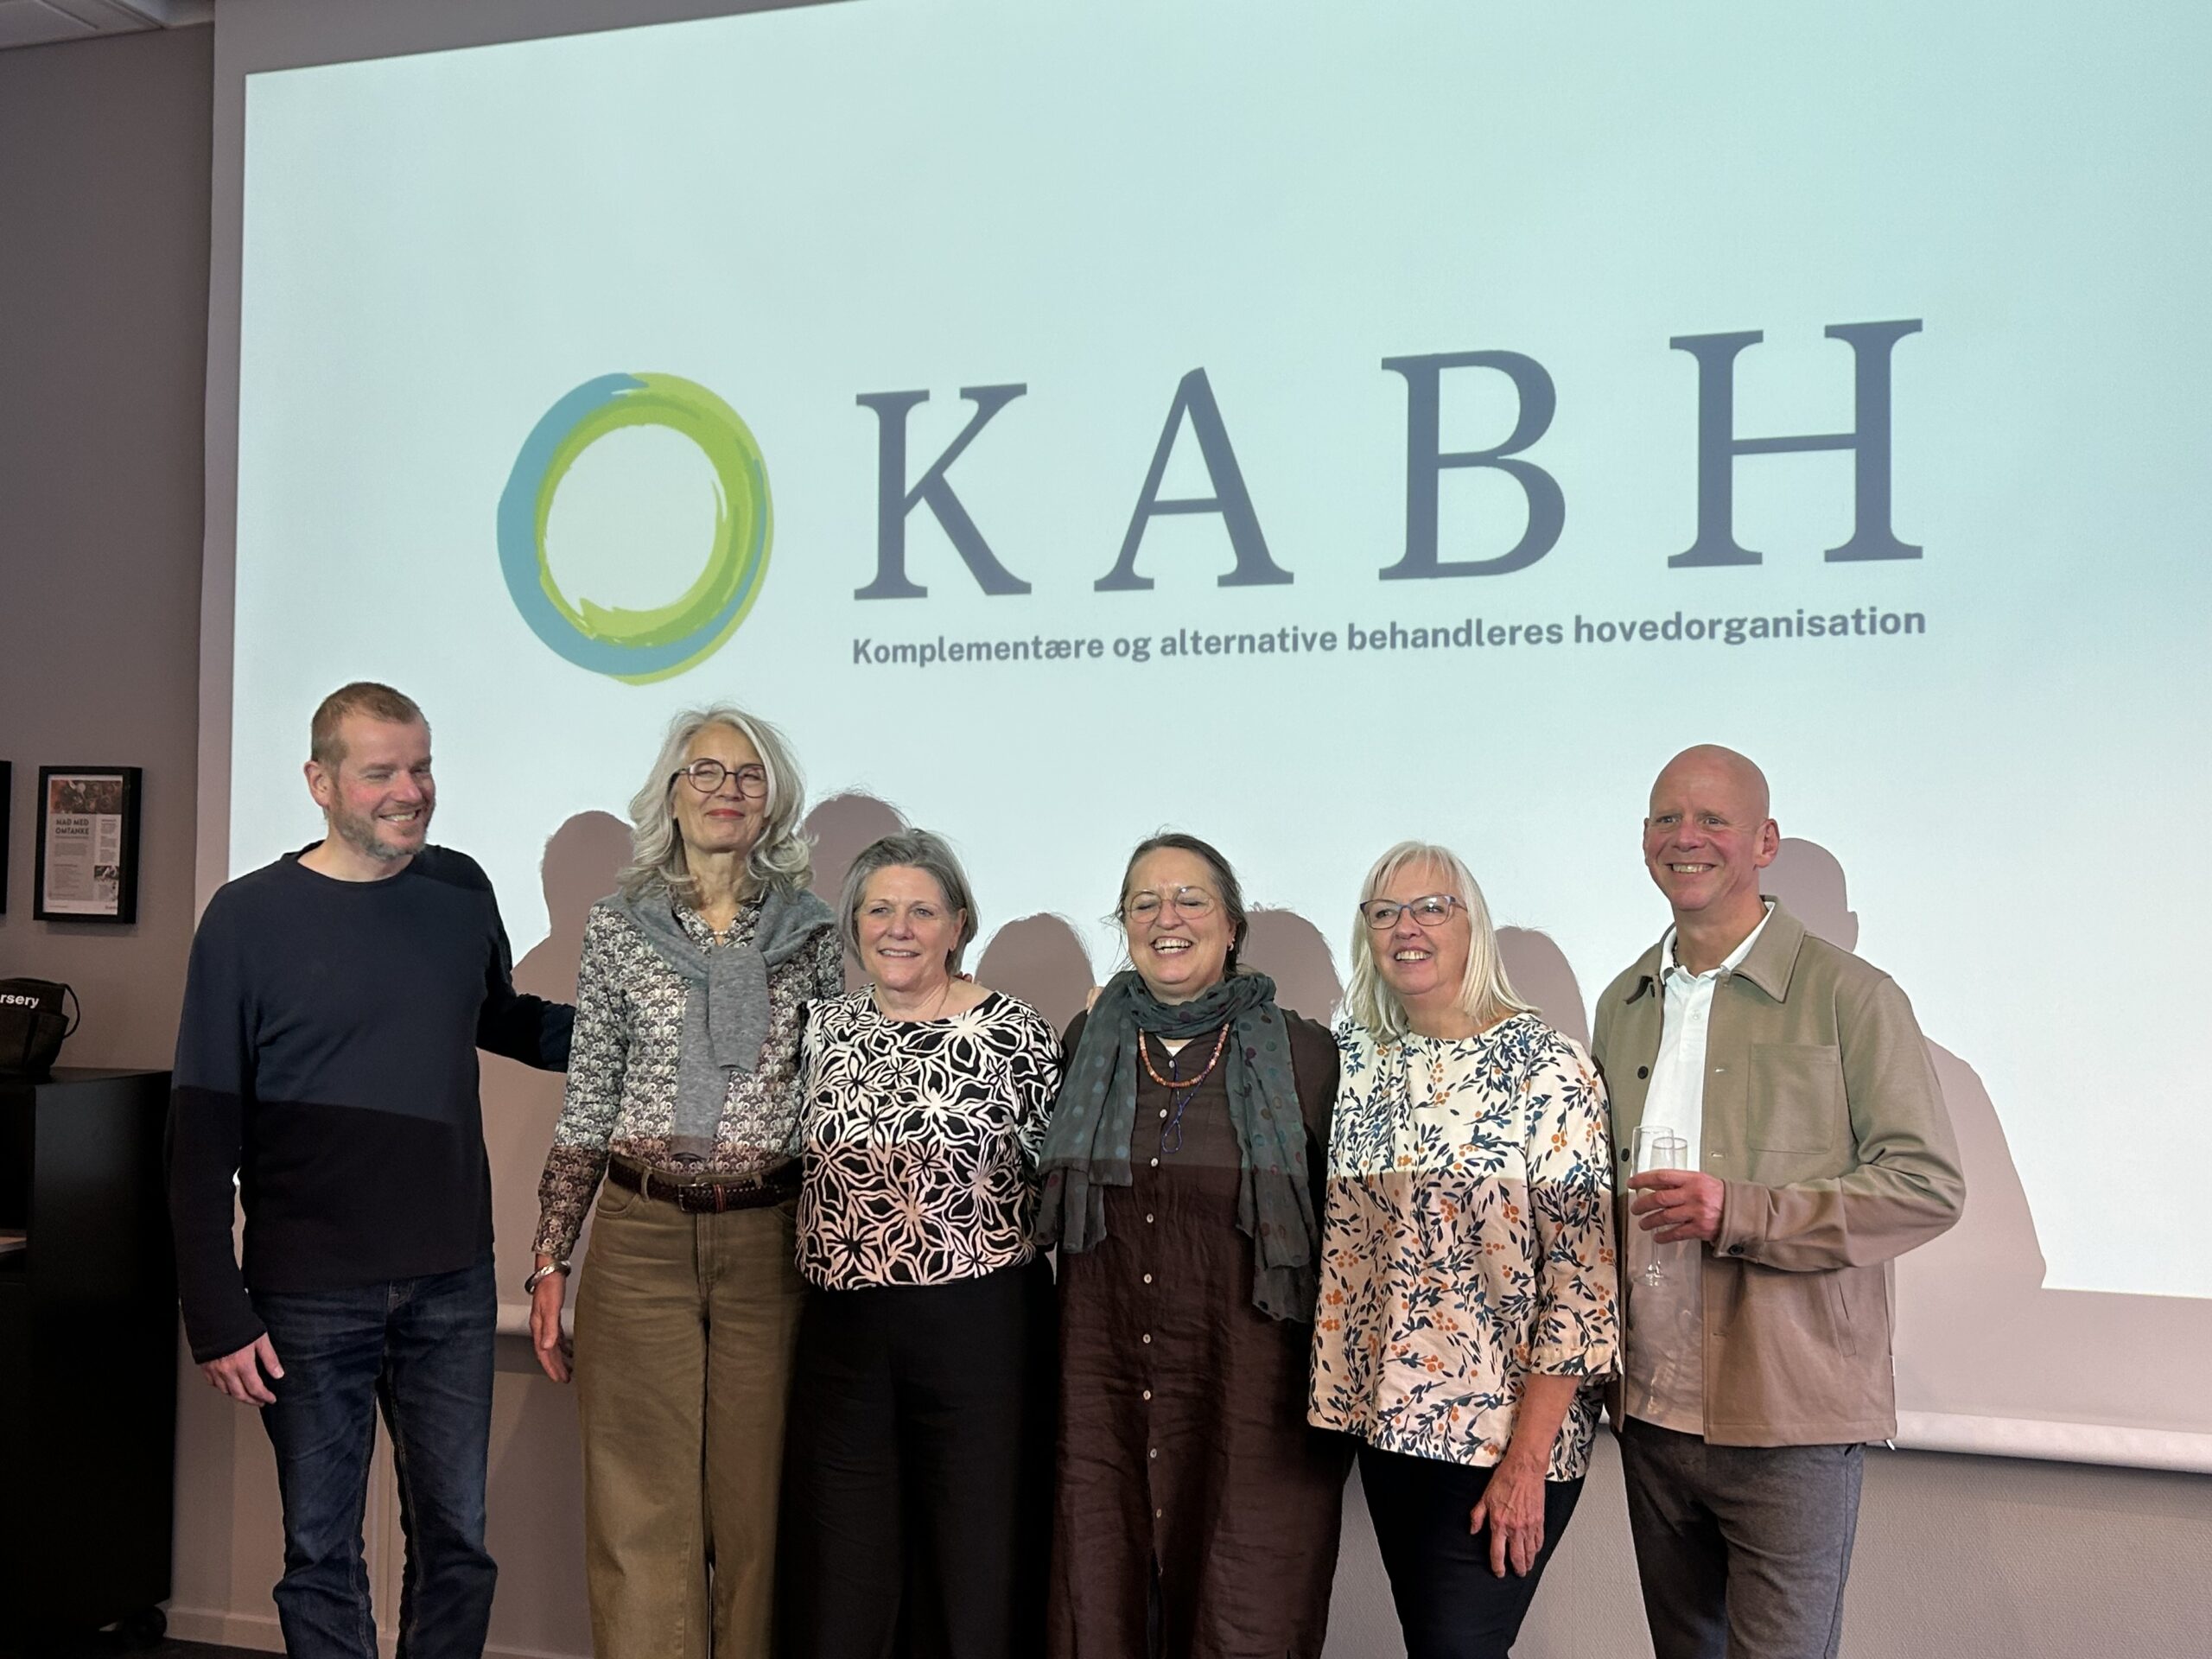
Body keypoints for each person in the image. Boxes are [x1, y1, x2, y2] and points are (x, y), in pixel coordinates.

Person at [167, 681, 573, 1659]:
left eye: (421, 767)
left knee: (457, 1547)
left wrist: (628, 1036)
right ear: (319, 782)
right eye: (381, 771)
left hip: (451, 1279)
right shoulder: (246, 918)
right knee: (320, 1555)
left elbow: (496, 1016)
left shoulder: (460, 889)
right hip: (308, 1290)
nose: (411, 790)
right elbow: (199, 1131)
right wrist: (216, 1310)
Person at [1592, 745, 1964, 1659]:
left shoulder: (1854, 997)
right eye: (1666, 818)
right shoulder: (1622, 1003)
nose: (1685, 837)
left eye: (1712, 819)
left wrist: (1742, 1212)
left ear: (1764, 843)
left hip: (1789, 1419)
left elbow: (1925, 1187)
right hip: (1649, 1413)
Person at [526, 704, 840, 1659]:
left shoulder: (816, 933)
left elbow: (830, 1097)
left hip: (768, 1240)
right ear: (671, 792)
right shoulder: (617, 929)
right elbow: (590, 1096)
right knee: (638, 1510)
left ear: (773, 799)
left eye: (748, 775)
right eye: (706, 771)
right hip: (642, 1238)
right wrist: (551, 1256)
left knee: (761, 1509)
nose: (726, 791)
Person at [1035, 832, 1351, 1659]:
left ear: (1232, 926)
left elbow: (1348, 1246)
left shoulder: (1306, 1057)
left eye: (1190, 900)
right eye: (1144, 902)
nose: (1165, 917)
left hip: (1249, 1399)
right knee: (1097, 1597)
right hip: (1102, 1390)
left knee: (1244, 1608)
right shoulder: (1086, 1043)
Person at [1310, 842, 1618, 1659]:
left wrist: (1527, 1461)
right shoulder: (1360, 1062)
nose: (1406, 928)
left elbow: (1583, 1285)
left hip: (1501, 1439)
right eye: (1385, 912)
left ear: (1472, 926)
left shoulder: (1548, 1068)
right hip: (1388, 1432)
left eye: (1431, 908)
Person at [779, 830, 1062, 1658]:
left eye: (922, 911)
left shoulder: (1016, 1033)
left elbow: (1057, 1183)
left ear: (958, 924)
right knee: (844, 1568)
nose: (897, 929)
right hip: (843, 1339)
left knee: (972, 1562)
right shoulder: (822, 1029)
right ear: (853, 924)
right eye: (879, 910)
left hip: (979, 1333)